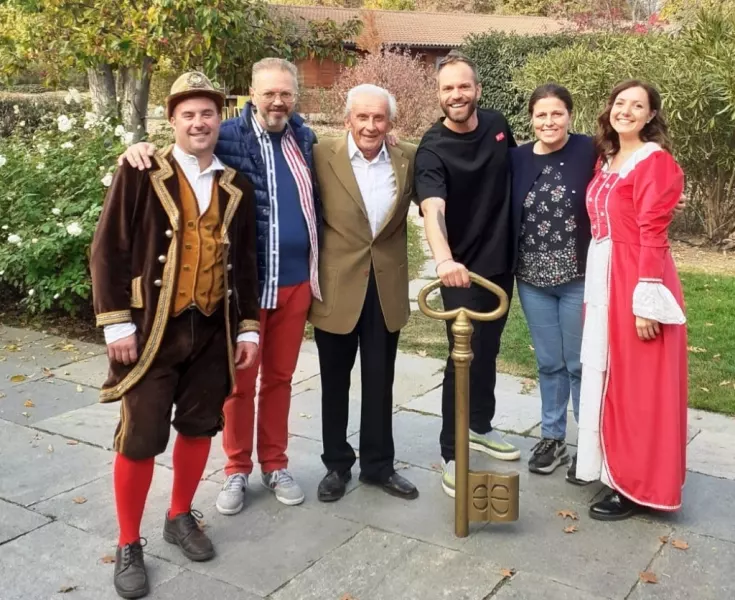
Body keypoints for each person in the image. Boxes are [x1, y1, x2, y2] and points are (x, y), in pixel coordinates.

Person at [119, 58, 321, 514]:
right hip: (244, 287)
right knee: (238, 383)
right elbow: (182, 150)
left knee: (282, 380)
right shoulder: (224, 135)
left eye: (286, 93)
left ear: (295, 97)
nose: (277, 101)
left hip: (295, 282)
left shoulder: (303, 136)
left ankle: (275, 463)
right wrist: (138, 149)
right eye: (269, 92)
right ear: (251, 93)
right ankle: (236, 469)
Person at [91, 71, 260, 599]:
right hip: (151, 330)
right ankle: (127, 542)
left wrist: (249, 327)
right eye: (188, 114)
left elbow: (248, 263)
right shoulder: (141, 170)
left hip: (212, 327)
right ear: (172, 121)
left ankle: (180, 514)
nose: (199, 122)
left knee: (197, 426)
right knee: (140, 436)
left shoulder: (236, 184)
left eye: (207, 113)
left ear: (219, 118)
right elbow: (107, 249)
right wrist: (116, 321)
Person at [577, 80, 688, 521]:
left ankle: (639, 485)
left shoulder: (654, 162)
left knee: (638, 385)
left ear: (650, 116)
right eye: (620, 103)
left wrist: (646, 299)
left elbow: (653, 232)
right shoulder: (607, 159)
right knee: (609, 377)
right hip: (605, 274)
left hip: (637, 277)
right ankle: (611, 467)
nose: (626, 111)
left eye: (637, 106)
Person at [415, 50, 520, 499]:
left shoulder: (498, 125)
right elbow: (432, 209)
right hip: (461, 273)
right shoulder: (432, 148)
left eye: (463, 86)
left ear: (477, 89)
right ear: (439, 96)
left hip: (501, 265)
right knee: (463, 358)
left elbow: (520, 170)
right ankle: (451, 452)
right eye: (447, 89)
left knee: (489, 350)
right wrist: (444, 260)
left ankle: (479, 425)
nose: (456, 95)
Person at [310, 84, 419, 502]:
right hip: (338, 287)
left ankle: (378, 466)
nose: (371, 126)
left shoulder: (408, 157)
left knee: (380, 380)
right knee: (334, 382)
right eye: (363, 117)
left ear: (391, 123)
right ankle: (336, 465)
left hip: (385, 287)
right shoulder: (322, 155)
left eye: (379, 118)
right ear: (347, 120)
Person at [509, 84, 595, 481]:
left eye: (556, 114)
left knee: (580, 364)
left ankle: (590, 447)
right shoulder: (517, 158)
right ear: (531, 118)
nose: (549, 122)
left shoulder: (589, 150)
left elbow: (632, 170)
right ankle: (552, 438)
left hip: (578, 277)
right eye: (541, 115)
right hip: (532, 279)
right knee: (549, 363)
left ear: (570, 116)